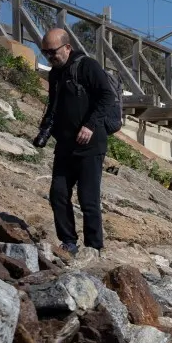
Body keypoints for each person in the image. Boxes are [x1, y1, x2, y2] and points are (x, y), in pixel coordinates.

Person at [33, 27, 116, 258]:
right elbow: (54, 105)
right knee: (58, 193)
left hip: (91, 145)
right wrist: (45, 129)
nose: (49, 56)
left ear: (67, 47)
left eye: (53, 51)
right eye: (45, 52)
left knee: (88, 198)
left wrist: (90, 125)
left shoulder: (87, 66)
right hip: (65, 145)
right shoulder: (55, 73)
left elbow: (107, 96)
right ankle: (68, 241)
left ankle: (94, 248)